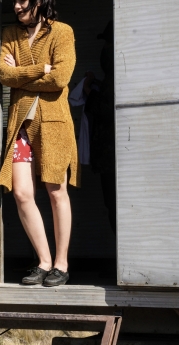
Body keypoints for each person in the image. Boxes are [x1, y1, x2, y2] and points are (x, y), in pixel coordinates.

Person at [0, 0, 78, 287]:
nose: (16, 6)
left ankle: (61, 263)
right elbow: (4, 74)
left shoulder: (62, 33)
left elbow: (60, 78)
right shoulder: (10, 34)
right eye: (14, 0)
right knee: (21, 193)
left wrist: (22, 72)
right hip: (21, 124)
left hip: (54, 123)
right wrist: (37, 69)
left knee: (56, 192)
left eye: (22, 0)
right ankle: (43, 261)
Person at [84, 21, 116, 234]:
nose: (104, 50)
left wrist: (89, 92)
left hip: (114, 159)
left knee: (115, 205)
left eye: (107, 44)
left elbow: (108, 111)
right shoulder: (109, 79)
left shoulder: (118, 79)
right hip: (109, 160)